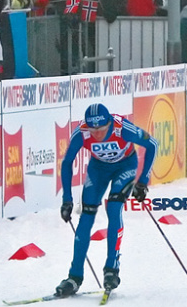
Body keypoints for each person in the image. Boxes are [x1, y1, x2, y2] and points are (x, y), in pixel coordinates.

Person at [56, 104, 158, 296]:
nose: (97, 134)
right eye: (93, 130)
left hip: (125, 166)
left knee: (114, 208)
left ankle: (111, 268)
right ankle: (74, 276)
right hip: (98, 169)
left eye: (102, 130)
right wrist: (67, 200)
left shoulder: (122, 128)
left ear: (109, 123)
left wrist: (143, 182)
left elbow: (152, 144)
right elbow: (68, 162)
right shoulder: (82, 132)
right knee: (86, 216)